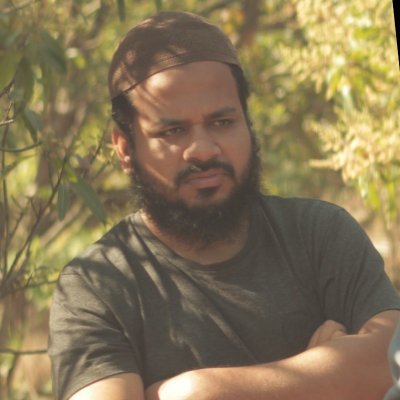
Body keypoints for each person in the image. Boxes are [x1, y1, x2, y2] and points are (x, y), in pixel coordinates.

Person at [48, 11, 400, 400]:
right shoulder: (97, 286)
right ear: (125, 148)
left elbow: (389, 361)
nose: (203, 149)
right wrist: (328, 376)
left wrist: (197, 391)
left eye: (223, 122)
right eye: (173, 131)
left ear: (247, 122)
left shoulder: (319, 234)